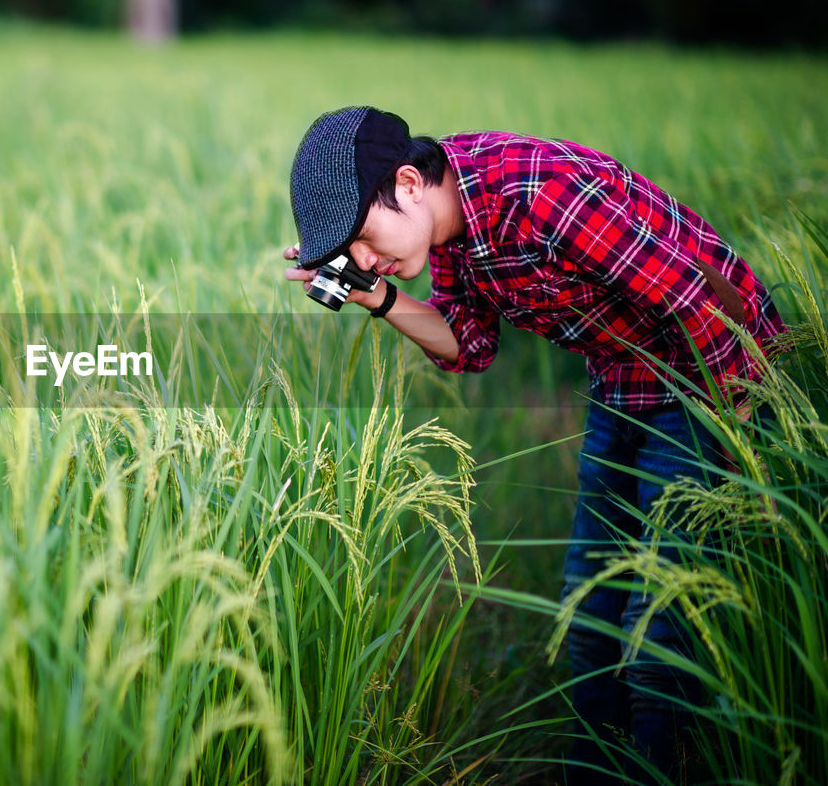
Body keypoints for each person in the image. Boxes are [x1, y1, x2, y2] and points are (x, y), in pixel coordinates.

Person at [281, 106, 785, 785]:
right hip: (624, 377)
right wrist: (364, 292)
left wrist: (737, 434)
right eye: (351, 255)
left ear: (406, 184)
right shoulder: (450, 228)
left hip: (706, 372)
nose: (367, 260)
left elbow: (697, 304)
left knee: (660, 625)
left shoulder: (536, 194)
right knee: (590, 609)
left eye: (361, 242)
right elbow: (469, 347)